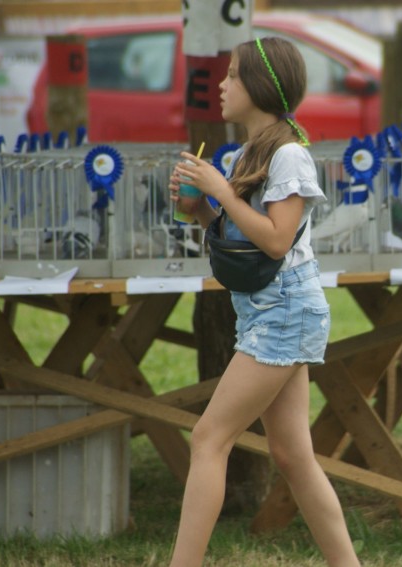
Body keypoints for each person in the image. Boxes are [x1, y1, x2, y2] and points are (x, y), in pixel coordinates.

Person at [166, 37, 361, 567]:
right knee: (293, 456)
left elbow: (277, 239)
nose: (222, 85)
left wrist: (221, 192)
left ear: (258, 85)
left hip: (285, 311)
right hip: (267, 310)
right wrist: (197, 207)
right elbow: (239, 236)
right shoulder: (246, 154)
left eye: (231, 76)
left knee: (208, 437)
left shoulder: (290, 154)